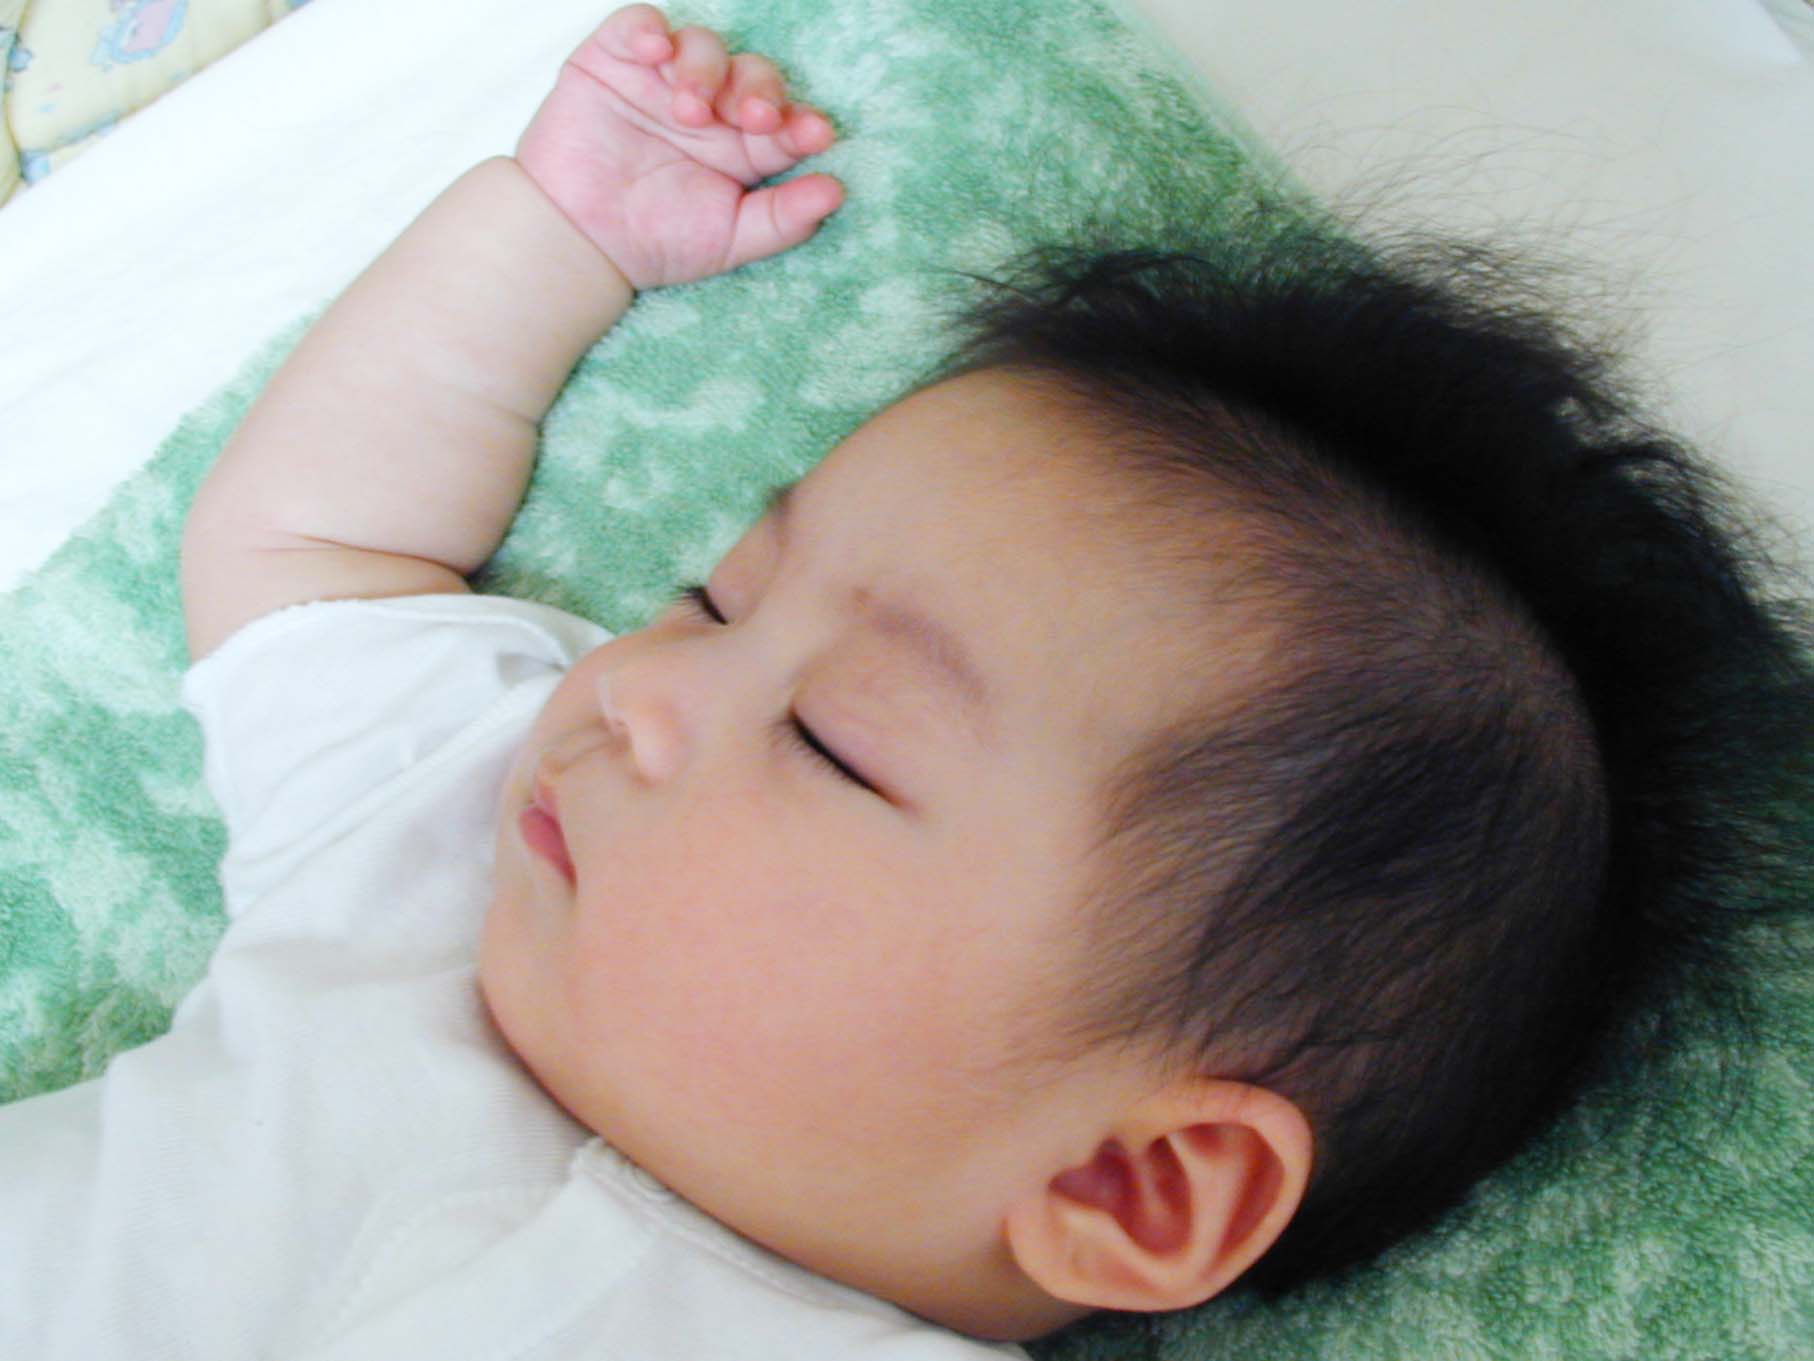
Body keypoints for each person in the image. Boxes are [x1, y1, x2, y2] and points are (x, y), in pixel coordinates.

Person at [3, 4, 1807, 1356]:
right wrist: (553, 233)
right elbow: (315, 546)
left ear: (1128, 1183)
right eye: (712, 598)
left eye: (833, 743)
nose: (637, 685)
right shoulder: (431, 857)